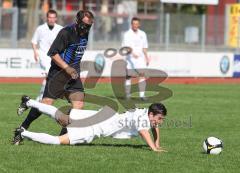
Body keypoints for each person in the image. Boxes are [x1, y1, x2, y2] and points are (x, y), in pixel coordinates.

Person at [13, 10, 94, 145]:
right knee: (46, 104)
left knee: (78, 104)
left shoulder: (85, 31)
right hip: (58, 74)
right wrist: (67, 68)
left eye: (89, 26)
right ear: (77, 22)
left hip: (73, 76)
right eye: (85, 25)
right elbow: (53, 53)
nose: (86, 28)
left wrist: (73, 70)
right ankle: (23, 127)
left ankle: (64, 136)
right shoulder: (66, 33)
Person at [13, 95, 167, 152]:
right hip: (96, 127)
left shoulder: (147, 112)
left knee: (61, 118)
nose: (159, 122)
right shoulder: (143, 120)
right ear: (152, 114)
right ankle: (22, 133)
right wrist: (154, 148)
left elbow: (153, 126)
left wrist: (157, 140)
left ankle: (29, 101)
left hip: (101, 116)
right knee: (58, 141)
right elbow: (144, 131)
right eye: (159, 118)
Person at [31, 9, 63, 101]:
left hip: (55, 56)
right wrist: (35, 52)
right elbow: (34, 41)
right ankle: (41, 96)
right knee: (49, 74)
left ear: (56, 18)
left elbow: (64, 42)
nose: (51, 19)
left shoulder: (60, 29)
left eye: (53, 17)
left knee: (53, 77)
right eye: (50, 17)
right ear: (47, 18)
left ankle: (41, 96)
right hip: (43, 55)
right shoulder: (40, 29)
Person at [122, 17, 150, 101]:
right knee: (129, 77)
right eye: (134, 24)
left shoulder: (143, 34)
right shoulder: (127, 34)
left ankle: (142, 95)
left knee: (142, 76)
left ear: (139, 24)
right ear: (131, 24)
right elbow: (126, 47)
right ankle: (128, 95)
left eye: (137, 24)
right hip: (130, 58)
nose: (135, 25)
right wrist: (132, 53)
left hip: (140, 59)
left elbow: (144, 47)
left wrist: (146, 57)